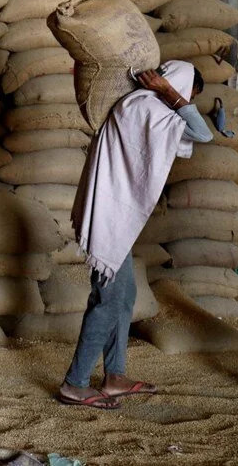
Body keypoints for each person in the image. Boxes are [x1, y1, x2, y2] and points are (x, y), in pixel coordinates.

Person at [58, 61, 211, 410]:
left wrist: (172, 99)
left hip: (116, 219)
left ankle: (114, 376)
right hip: (109, 219)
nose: (186, 102)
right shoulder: (142, 107)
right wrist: (169, 94)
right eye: (188, 94)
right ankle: (74, 384)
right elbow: (201, 134)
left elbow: (196, 130)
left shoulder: (150, 110)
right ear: (177, 85)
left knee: (123, 296)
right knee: (107, 300)